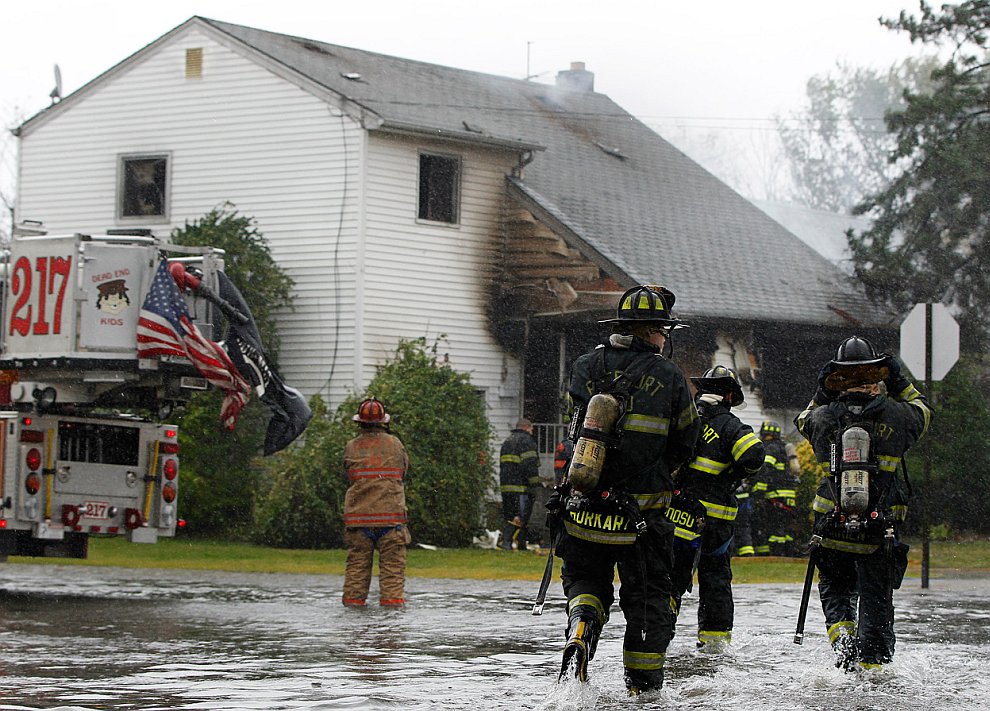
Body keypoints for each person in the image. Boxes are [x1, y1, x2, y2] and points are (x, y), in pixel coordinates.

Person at [553, 284, 700, 696]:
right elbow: (688, 439)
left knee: (586, 580)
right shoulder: (669, 376)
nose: (664, 339)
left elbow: (573, 428)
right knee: (648, 600)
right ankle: (643, 689)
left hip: (582, 508)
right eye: (663, 331)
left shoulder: (585, 365)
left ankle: (581, 629)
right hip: (641, 519)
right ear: (653, 330)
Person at [795, 335, 932, 670]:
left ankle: (843, 644)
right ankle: (872, 671)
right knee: (876, 599)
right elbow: (924, 412)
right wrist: (898, 381)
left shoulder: (823, 418)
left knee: (835, 589)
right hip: (879, 530)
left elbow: (803, 418)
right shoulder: (899, 416)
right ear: (877, 380)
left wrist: (823, 391)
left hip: (831, 526)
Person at [669, 365, 764, 650]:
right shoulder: (730, 425)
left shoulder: (683, 421)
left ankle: (655, 639)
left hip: (674, 518)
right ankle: (713, 648)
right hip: (713, 525)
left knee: (669, 580)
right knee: (715, 582)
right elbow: (754, 455)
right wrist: (732, 475)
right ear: (730, 396)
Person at [341, 397, 411, 607]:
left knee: (356, 570)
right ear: (384, 422)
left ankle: (352, 614)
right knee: (392, 573)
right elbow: (403, 471)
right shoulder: (395, 444)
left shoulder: (351, 446)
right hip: (391, 522)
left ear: (359, 422)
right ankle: (391, 620)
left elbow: (346, 473)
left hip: (359, 521)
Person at [499, 418, 541, 551]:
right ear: (527, 427)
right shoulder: (527, 441)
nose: (532, 431)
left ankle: (521, 544)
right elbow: (530, 466)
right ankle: (506, 543)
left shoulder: (508, 441)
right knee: (520, 517)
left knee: (510, 514)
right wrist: (536, 484)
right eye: (531, 429)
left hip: (506, 486)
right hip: (521, 487)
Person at [759, 421, 801, 556]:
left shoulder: (770, 449)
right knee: (786, 525)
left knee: (775, 526)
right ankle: (788, 553)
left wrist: (760, 489)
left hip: (775, 496)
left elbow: (765, 469)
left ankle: (776, 553)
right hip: (789, 496)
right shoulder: (783, 448)